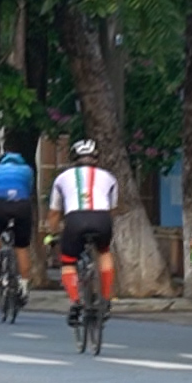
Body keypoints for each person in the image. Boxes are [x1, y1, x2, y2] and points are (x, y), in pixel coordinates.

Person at [44, 138, 118, 327]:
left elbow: (54, 213)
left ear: (74, 159)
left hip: (75, 220)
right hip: (102, 219)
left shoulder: (62, 178)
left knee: (68, 261)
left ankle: (76, 301)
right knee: (104, 252)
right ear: (96, 158)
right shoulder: (109, 177)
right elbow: (113, 209)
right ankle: (107, 298)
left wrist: (52, 235)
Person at [0, 150, 36, 302]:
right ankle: (24, 287)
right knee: (21, 247)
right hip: (22, 206)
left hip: (1, 205)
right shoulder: (27, 170)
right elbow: (29, 189)